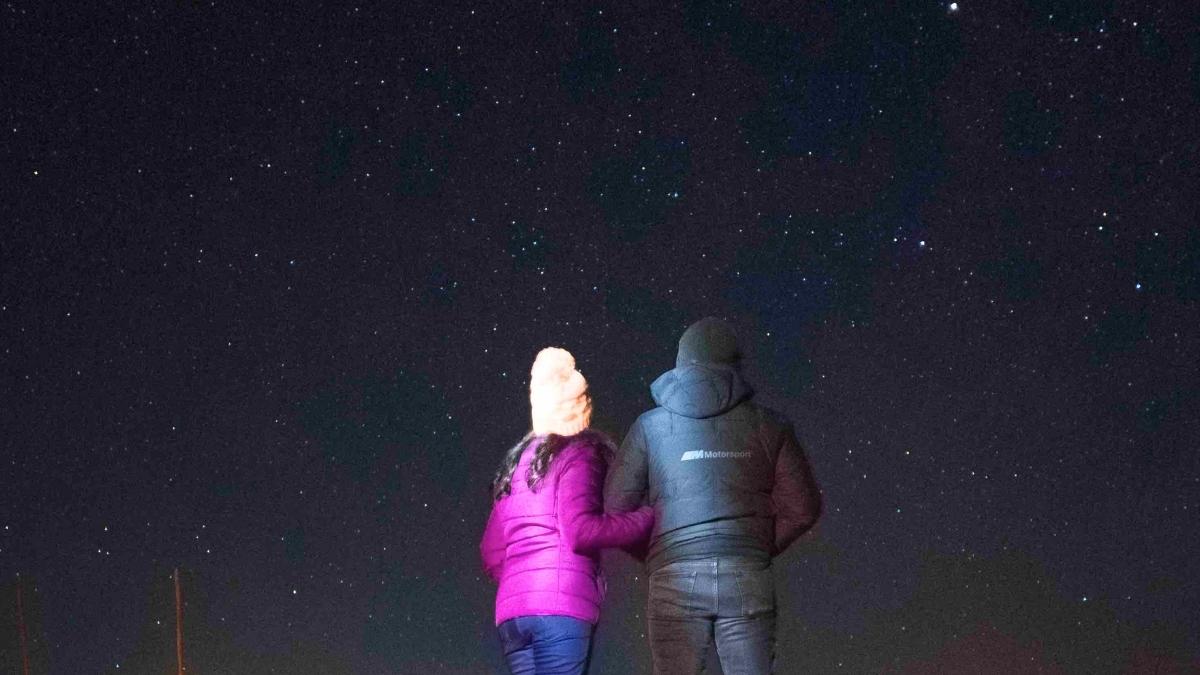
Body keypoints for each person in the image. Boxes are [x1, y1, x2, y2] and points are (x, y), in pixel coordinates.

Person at [605, 317, 823, 675]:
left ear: (681, 362)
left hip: (674, 576)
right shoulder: (771, 426)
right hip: (746, 573)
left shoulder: (649, 427)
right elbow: (804, 508)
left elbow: (615, 510)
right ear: (735, 364)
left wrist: (660, 552)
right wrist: (755, 546)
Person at [480, 347, 654, 675]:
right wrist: (646, 518)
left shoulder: (514, 466)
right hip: (560, 610)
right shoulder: (579, 453)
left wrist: (526, 580)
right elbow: (581, 531)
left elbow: (491, 552)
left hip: (512, 614)